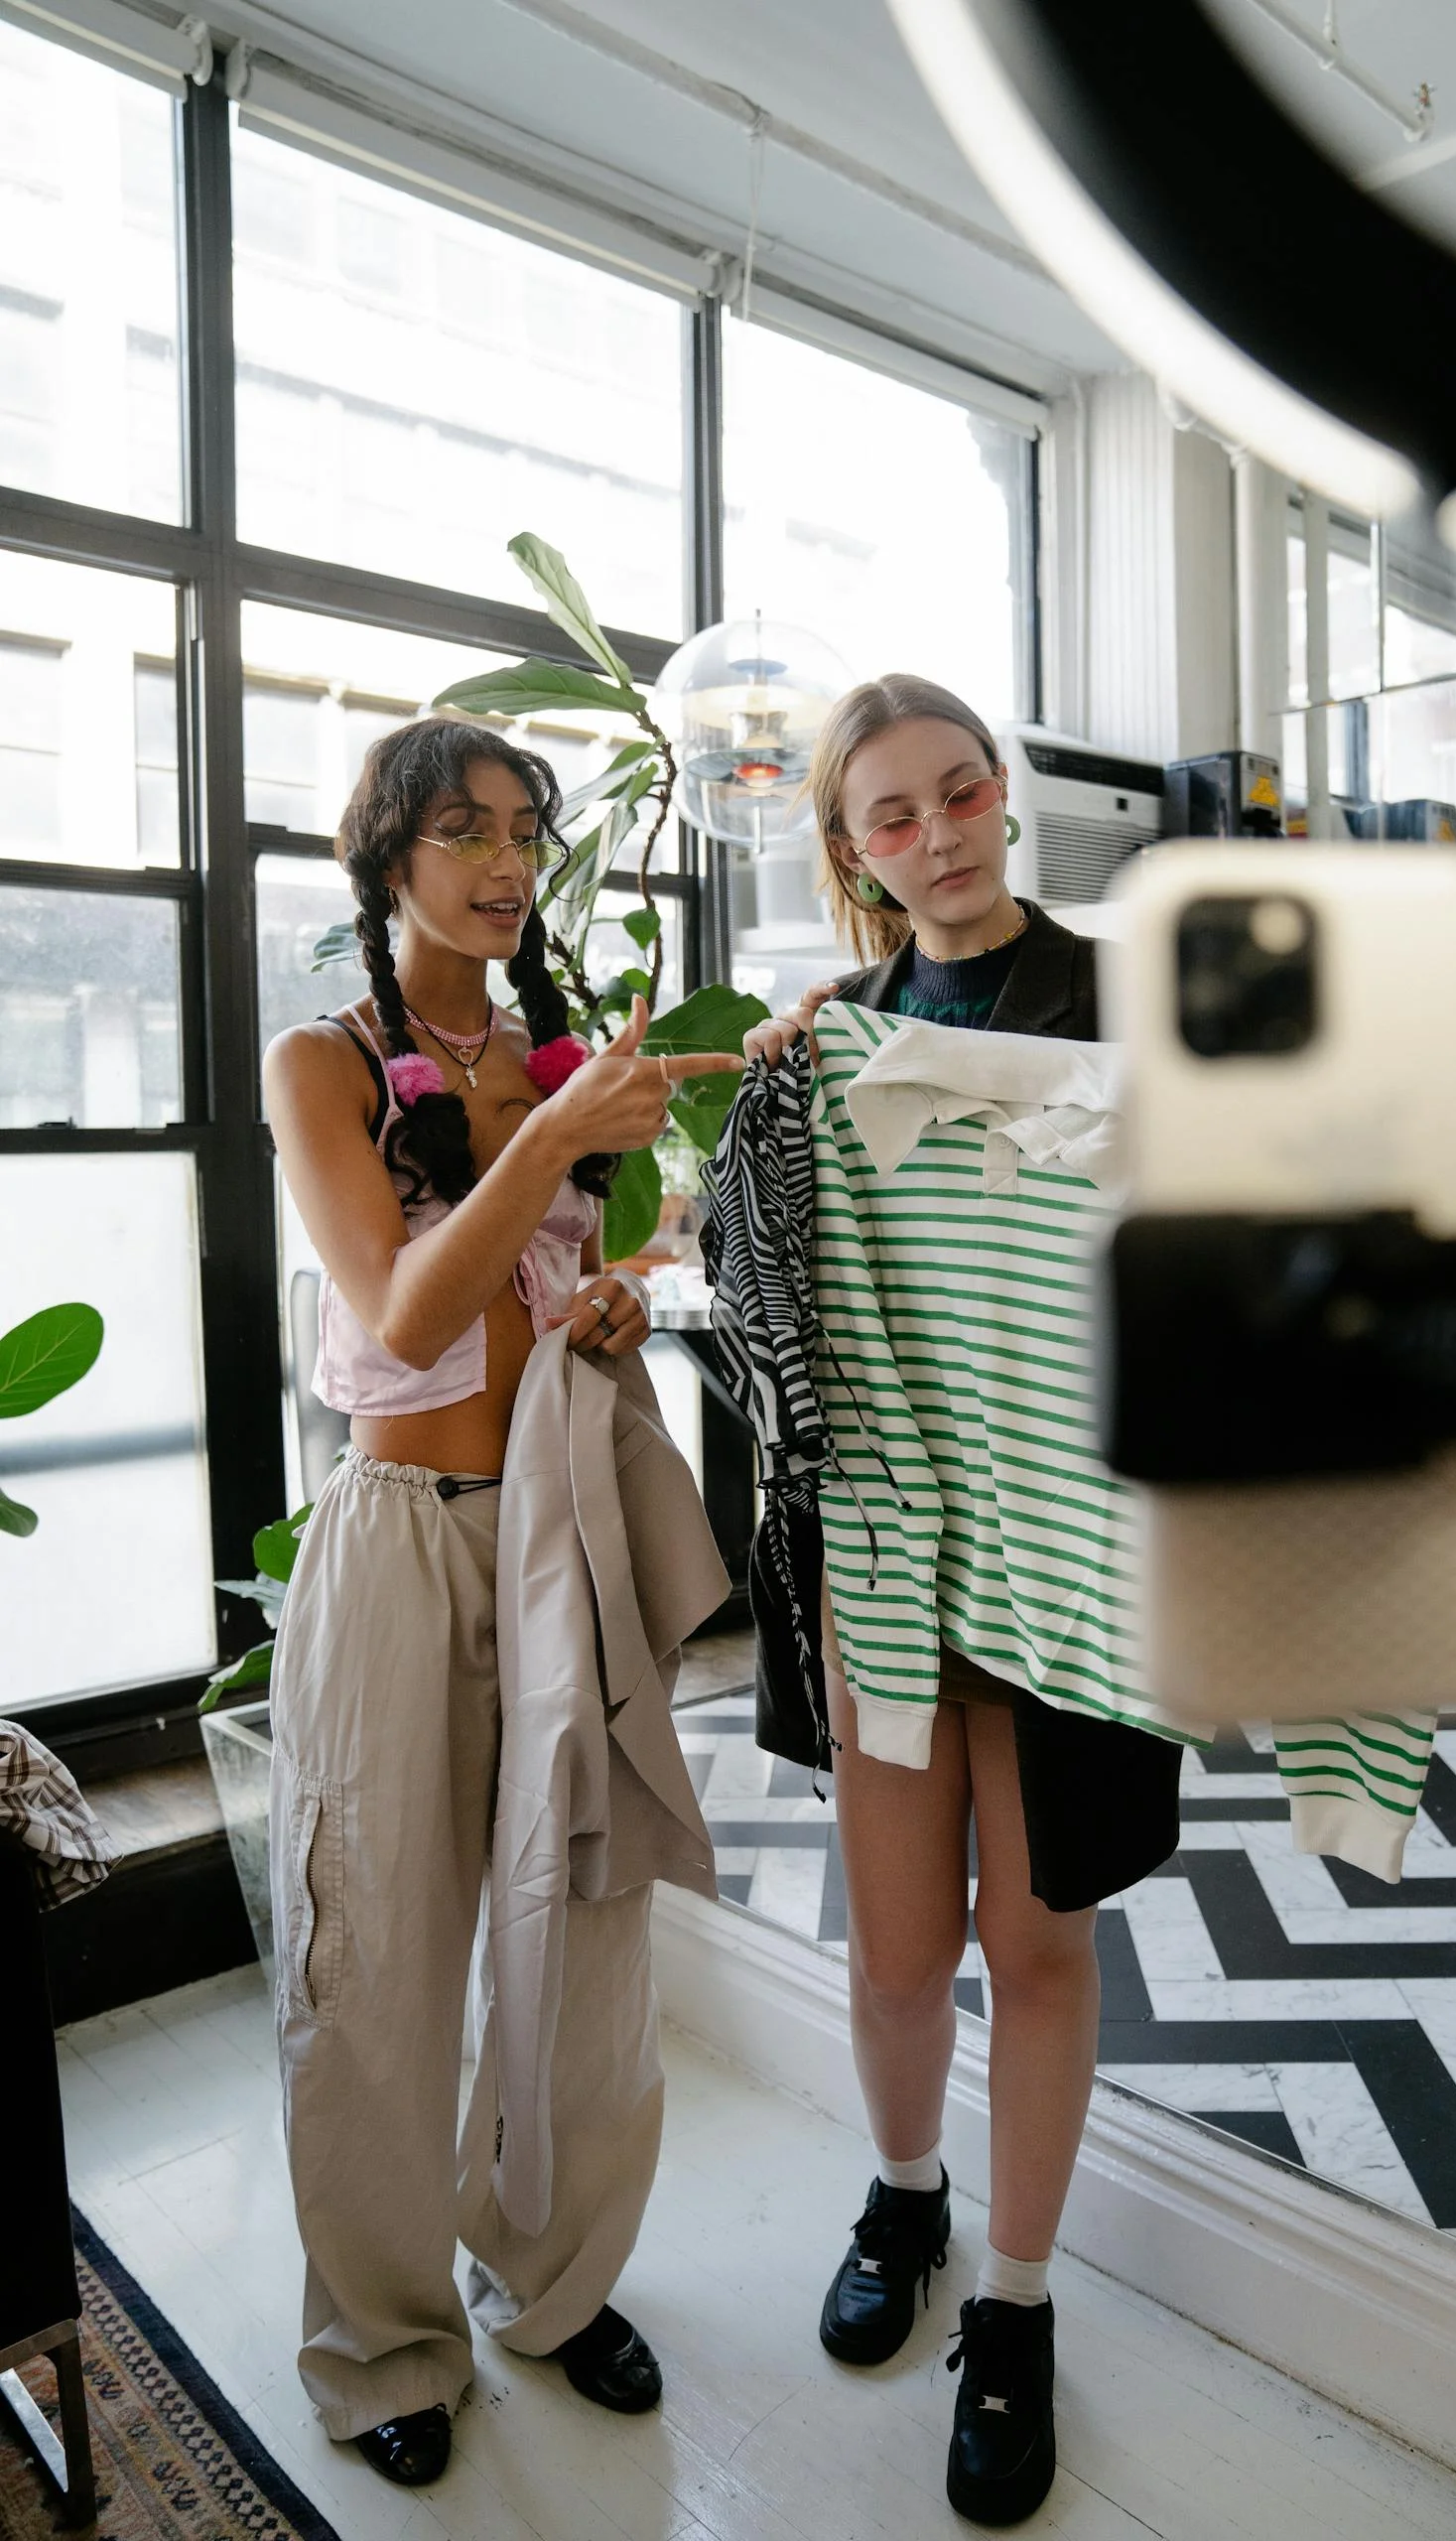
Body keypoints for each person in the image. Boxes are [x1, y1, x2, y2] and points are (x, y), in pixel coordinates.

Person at [263, 717, 739, 2488]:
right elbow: (400, 1317)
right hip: (401, 1538)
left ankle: (556, 2278)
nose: (506, 862)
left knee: (585, 1925)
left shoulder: (558, 1060)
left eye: (526, 832)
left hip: (560, 1525)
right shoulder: (320, 1062)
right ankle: (385, 2338)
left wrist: (612, 1298)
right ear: (384, 856)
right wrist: (554, 1136)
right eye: (463, 830)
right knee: (376, 1954)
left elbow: (566, 1283)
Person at [742, 675, 1181, 2528]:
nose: (937, 835)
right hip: (890, 1547)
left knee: (1041, 1940)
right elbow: (752, 1280)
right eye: (892, 815)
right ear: (853, 850)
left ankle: (1014, 2301)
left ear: (1002, 795)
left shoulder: (1133, 1006)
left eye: (958, 792)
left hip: (1071, 1554)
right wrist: (773, 1101)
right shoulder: (827, 1039)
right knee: (899, 1947)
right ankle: (906, 2194)